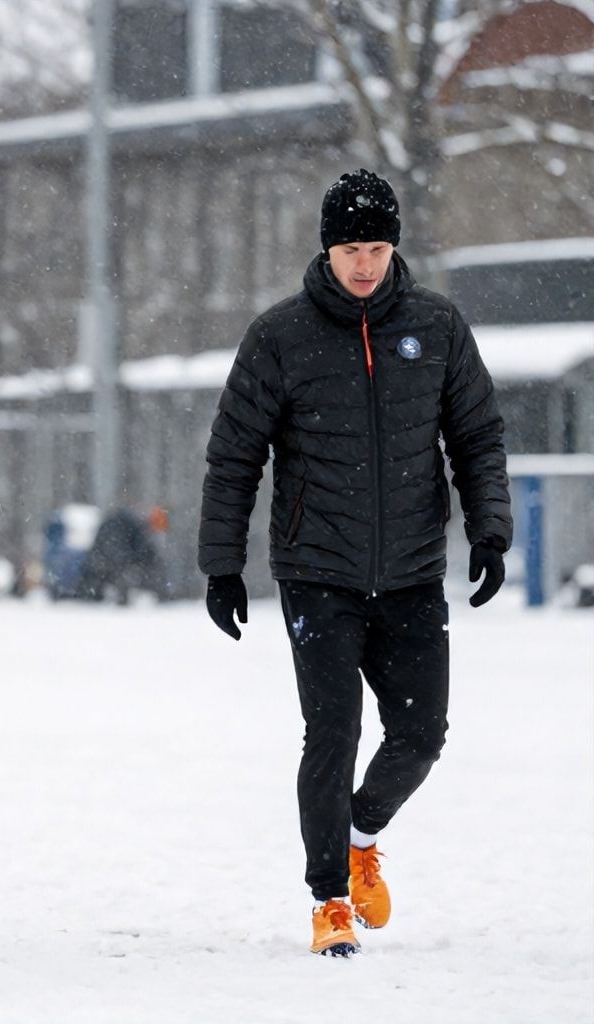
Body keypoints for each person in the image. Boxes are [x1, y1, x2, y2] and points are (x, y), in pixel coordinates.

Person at [199, 169, 511, 957]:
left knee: (422, 735)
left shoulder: (437, 328)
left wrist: (490, 531)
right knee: (330, 734)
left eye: (376, 247)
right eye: (350, 249)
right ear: (327, 251)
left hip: (410, 571)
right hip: (318, 574)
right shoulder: (281, 336)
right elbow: (235, 457)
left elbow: (477, 437)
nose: (364, 264)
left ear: (394, 247)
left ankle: (362, 832)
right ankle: (330, 899)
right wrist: (221, 565)